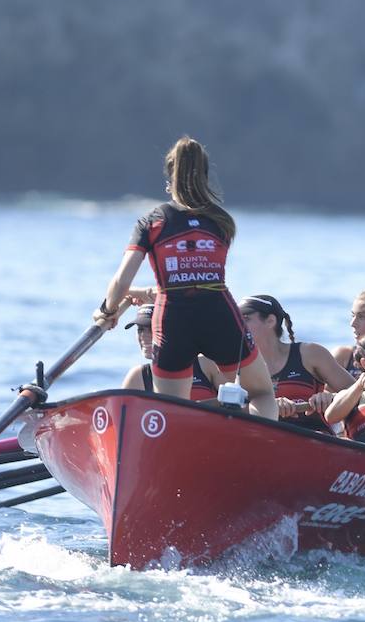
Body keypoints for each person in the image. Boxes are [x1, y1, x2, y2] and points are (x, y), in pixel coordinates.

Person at [91, 136, 277, 419]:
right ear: (205, 176)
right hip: (220, 315)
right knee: (260, 393)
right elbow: (195, 274)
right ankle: (265, 450)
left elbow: (121, 282)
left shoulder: (152, 221)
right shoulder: (222, 221)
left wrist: (107, 311)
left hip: (172, 319)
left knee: (171, 411)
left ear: (169, 178)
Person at [238, 294, 354, 432]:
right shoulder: (238, 365)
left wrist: (328, 397)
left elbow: (358, 393)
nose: (237, 325)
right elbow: (229, 409)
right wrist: (267, 406)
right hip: (266, 440)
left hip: (315, 438)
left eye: (245, 319)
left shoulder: (311, 354)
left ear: (270, 321)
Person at [121, 303, 218, 400]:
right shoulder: (137, 377)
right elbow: (117, 413)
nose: (144, 336)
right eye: (140, 330)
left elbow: (232, 402)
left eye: (151, 328)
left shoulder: (205, 363)